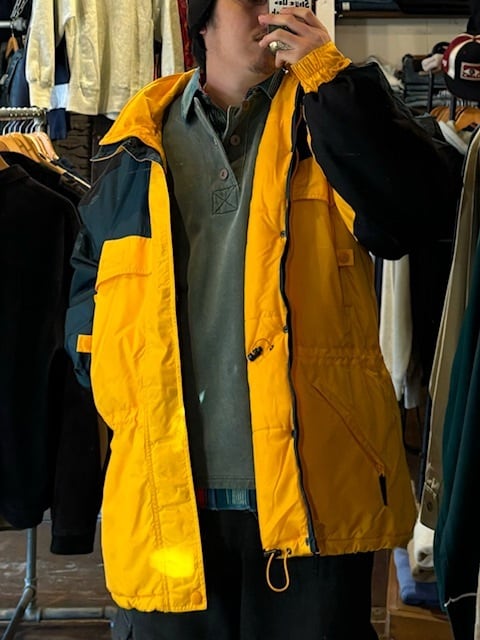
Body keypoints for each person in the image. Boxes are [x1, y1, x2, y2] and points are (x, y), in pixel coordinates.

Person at [64, 0, 458, 638]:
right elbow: (90, 286)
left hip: (312, 498)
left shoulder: (325, 115)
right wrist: (108, 372)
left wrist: (332, 79)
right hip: (169, 499)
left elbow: (419, 212)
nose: (273, 11)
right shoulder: (135, 144)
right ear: (202, 21)